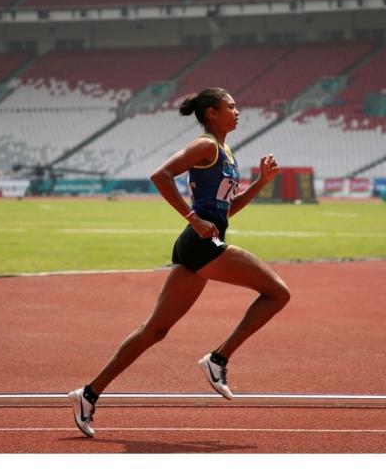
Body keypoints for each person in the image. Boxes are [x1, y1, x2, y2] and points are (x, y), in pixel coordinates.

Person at [68, 88, 291, 438]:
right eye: (231, 106)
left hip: (198, 243)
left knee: (154, 330)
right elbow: (160, 175)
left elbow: (225, 210)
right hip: (200, 242)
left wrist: (261, 183)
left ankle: (88, 394)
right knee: (277, 293)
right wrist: (192, 218)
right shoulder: (206, 146)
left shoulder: (226, 151)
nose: (238, 111)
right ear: (212, 113)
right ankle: (218, 359)